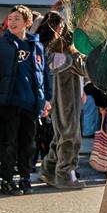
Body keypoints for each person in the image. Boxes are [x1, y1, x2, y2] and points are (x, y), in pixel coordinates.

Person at [0, 5, 52, 195]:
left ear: (27, 23)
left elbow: (44, 73)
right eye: (11, 18)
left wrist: (47, 97)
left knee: (28, 143)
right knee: (8, 143)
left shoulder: (36, 45)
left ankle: (25, 178)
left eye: (17, 19)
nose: (13, 22)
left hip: (31, 103)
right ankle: (7, 181)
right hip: (9, 101)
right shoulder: (3, 42)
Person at [39, 11, 88, 189]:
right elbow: (87, 70)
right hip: (69, 102)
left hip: (58, 102)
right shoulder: (71, 56)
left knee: (60, 136)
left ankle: (49, 169)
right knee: (70, 136)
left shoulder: (51, 52)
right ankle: (65, 174)